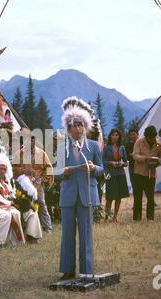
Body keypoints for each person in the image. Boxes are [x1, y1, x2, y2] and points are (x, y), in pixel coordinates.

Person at [58, 97, 104, 280]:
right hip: (68, 196)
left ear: (84, 126)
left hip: (87, 195)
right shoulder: (62, 148)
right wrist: (65, 172)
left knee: (86, 234)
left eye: (79, 125)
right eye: (72, 126)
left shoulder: (93, 146)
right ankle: (67, 270)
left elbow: (102, 170)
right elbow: (55, 174)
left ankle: (86, 270)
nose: (76, 129)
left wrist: (94, 168)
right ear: (67, 129)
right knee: (67, 234)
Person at [13, 135, 54, 233]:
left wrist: (41, 179)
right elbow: (14, 168)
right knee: (23, 204)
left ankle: (47, 227)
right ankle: (23, 227)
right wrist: (23, 173)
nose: (31, 142)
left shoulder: (41, 153)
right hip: (22, 184)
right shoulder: (18, 154)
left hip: (37, 184)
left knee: (41, 202)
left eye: (33, 141)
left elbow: (49, 168)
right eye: (29, 140)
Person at [0, 146, 26, 246]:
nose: (2, 171)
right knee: (11, 213)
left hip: (6, 205)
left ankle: (16, 241)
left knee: (16, 213)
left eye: (4, 169)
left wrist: (14, 199)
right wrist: (10, 202)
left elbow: (10, 193)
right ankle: (0, 242)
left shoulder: (5, 182)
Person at [133, 126, 161, 221]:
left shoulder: (158, 144)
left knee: (150, 197)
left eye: (153, 137)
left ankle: (150, 218)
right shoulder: (139, 142)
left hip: (151, 174)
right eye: (149, 137)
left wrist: (156, 162)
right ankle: (137, 218)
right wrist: (145, 158)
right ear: (146, 136)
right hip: (139, 173)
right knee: (138, 196)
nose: (152, 139)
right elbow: (135, 155)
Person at [103, 129, 129, 223]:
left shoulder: (122, 147)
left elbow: (126, 163)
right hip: (110, 174)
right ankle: (106, 217)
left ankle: (115, 217)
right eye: (113, 135)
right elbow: (103, 162)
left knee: (119, 197)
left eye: (117, 135)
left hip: (120, 174)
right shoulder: (106, 147)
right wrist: (111, 163)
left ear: (119, 137)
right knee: (110, 196)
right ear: (110, 136)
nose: (115, 137)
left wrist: (122, 163)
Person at [125, 128, 139, 193]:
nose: (132, 136)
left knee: (143, 184)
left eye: (134, 134)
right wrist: (131, 155)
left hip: (141, 166)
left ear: (137, 134)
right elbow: (126, 156)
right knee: (134, 184)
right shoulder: (128, 144)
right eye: (131, 135)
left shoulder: (141, 143)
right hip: (132, 166)